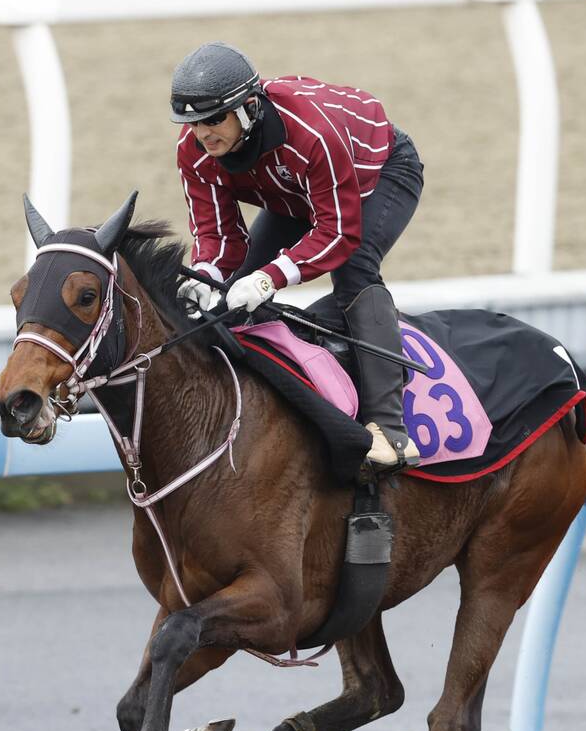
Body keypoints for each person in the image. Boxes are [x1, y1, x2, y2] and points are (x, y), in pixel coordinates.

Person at [170, 41, 423, 470]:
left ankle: (390, 430)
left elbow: (338, 232)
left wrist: (270, 278)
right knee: (229, 295)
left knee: (354, 268)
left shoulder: (312, 133)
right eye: (193, 122)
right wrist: (204, 273)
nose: (203, 133)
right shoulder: (194, 152)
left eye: (214, 119)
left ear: (250, 107)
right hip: (291, 191)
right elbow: (219, 236)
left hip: (379, 170)